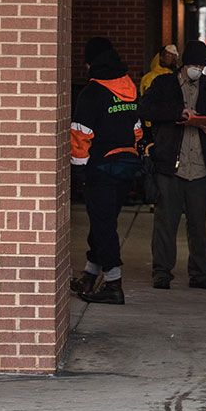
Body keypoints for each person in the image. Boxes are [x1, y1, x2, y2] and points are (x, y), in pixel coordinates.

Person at [140, 40, 206, 290]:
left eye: (201, 65)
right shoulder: (163, 84)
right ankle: (161, 272)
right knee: (165, 222)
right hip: (170, 165)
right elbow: (146, 109)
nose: (197, 69)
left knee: (198, 223)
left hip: (201, 168)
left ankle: (201, 274)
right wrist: (176, 113)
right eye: (193, 64)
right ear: (184, 64)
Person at [71, 37, 142, 305]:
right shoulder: (129, 87)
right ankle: (89, 275)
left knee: (103, 226)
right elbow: (137, 129)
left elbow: (80, 135)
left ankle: (113, 283)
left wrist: (79, 171)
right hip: (126, 166)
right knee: (104, 222)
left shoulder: (92, 92)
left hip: (100, 168)